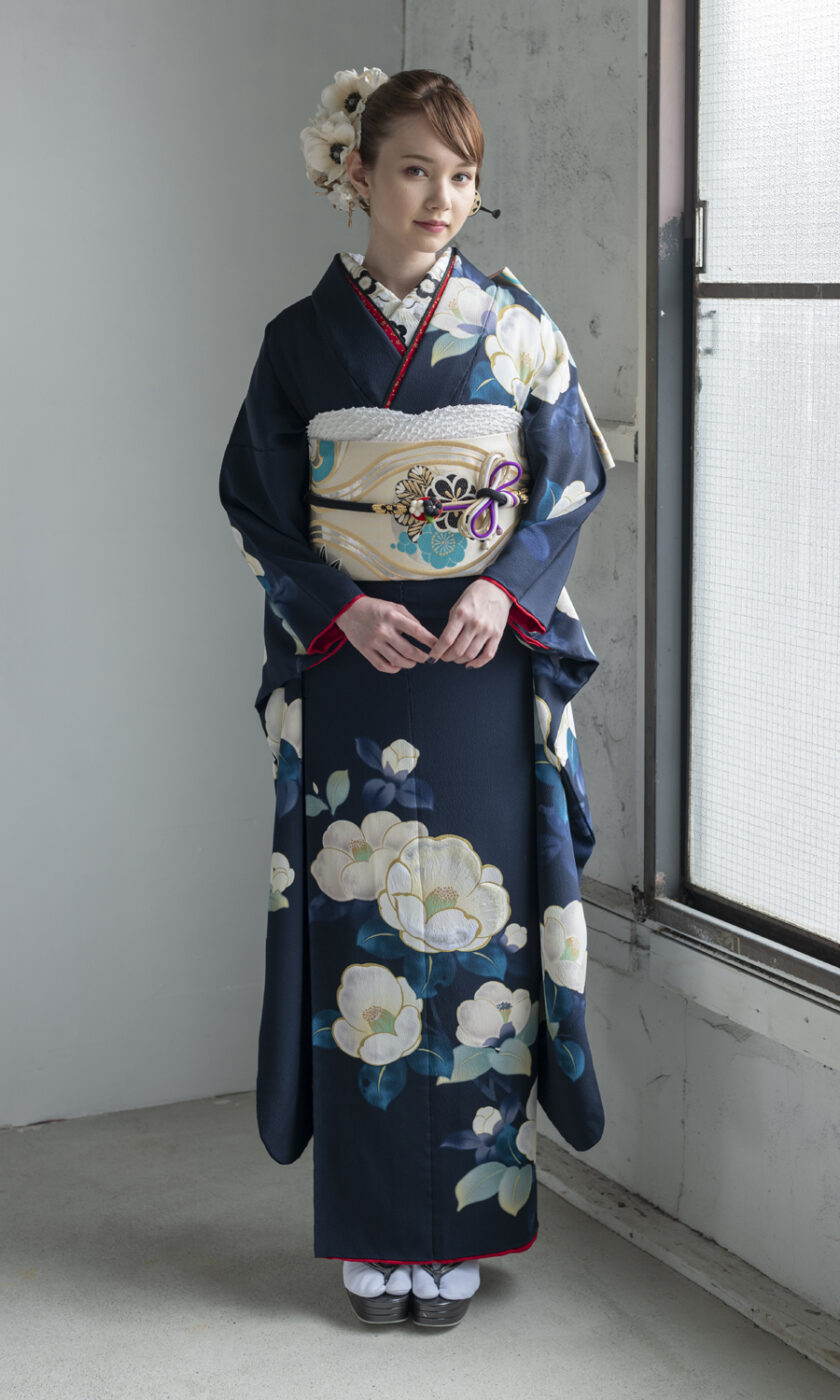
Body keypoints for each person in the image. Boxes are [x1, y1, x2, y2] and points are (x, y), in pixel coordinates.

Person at [218, 65, 616, 1329]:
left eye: (462, 175)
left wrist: (508, 588)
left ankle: (466, 1226)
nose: (441, 196)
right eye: (414, 169)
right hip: (359, 665)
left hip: (479, 664)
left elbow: (571, 474)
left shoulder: (515, 327)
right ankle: (377, 1233)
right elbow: (255, 503)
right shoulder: (299, 340)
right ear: (358, 174)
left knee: (485, 936)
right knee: (365, 931)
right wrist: (338, 608)